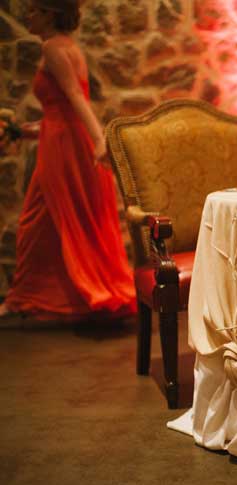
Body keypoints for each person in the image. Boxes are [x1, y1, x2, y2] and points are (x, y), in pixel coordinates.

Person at [0, 0, 136, 326]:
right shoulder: (69, 47)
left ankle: (26, 298)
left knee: (36, 220)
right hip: (63, 140)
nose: (27, 16)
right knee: (50, 221)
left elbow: (75, 97)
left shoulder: (52, 48)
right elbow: (60, 110)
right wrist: (24, 131)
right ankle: (38, 298)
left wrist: (101, 139)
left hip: (64, 147)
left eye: (33, 10)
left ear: (50, 13)